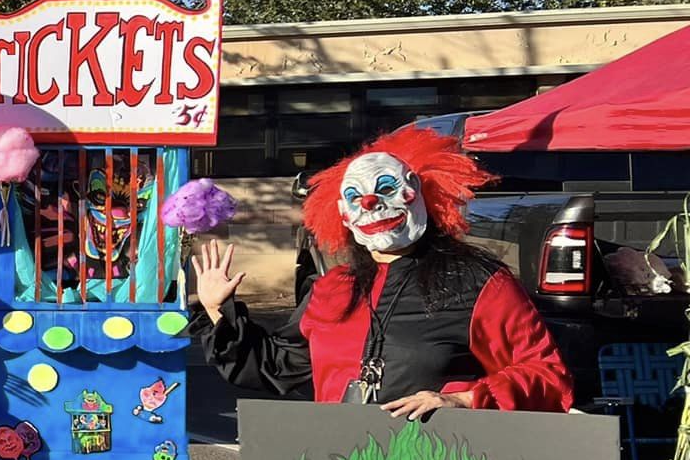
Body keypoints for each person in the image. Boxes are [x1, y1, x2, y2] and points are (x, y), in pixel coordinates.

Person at [197, 126, 572, 416]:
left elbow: (547, 376)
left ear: (420, 193)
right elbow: (277, 367)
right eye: (355, 197)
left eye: (387, 188)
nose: (372, 203)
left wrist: (465, 398)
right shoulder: (333, 289)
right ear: (342, 214)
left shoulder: (478, 282)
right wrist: (218, 310)